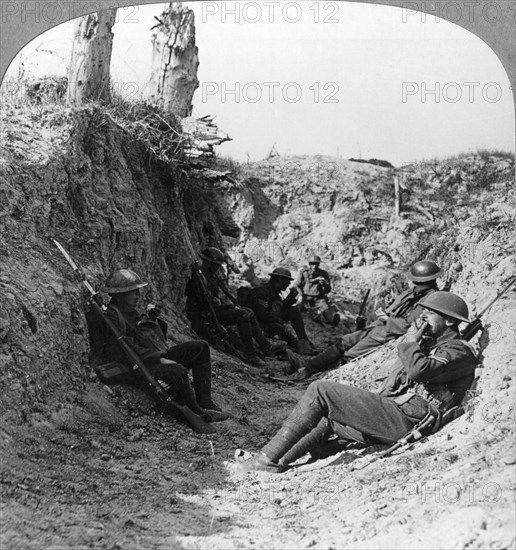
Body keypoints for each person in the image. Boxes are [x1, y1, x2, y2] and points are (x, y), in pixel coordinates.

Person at [235, 291, 477, 472]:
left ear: (450, 322)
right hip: (399, 414)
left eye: (430, 314)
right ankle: (277, 462)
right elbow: (397, 380)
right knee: (330, 418)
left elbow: (417, 371)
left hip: (407, 422)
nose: (423, 318)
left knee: (321, 389)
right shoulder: (435, 346)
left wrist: (412, 342)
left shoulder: (458, 351)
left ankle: (266, 459)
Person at [87, 268, 228, 422]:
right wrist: (159, 358)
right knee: (178, 370)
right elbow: (121, 352)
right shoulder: (110, 318)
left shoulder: (130, 313)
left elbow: (151, 341)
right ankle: (197, 411)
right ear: (120, 295)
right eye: (133, 292)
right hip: (131, 367)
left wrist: (151, 321)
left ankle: (205, 402)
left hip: (146, 359)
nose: (138, 295)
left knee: (200, 347)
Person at [285, 260, 442, 378]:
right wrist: (389, 307)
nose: (412, 284)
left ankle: (315, 373)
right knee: (345, 340)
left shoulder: (430, 299)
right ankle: (310, 365)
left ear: (425, 282)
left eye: (416, 282)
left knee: (353, 352)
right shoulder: (415, 292)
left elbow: (411, 325)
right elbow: (397, 306)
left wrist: (388, 319)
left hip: (389, 331)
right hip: (380, 325)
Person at [185, 247, 285, 366]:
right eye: (215, 265)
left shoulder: (211, 278)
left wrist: (226, 305)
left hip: (212, 311)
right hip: (203, 316)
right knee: (242, 315)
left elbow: (215, 301)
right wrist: (223, 306)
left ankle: (266, 346)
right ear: (208, 263)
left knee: (248, 312)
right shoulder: (198, 278)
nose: (216, 269)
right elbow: (202, 304)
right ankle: (250, 354)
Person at [247, 266, 312, 354]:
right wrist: (281, 321)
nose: (289, 283)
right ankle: (296, 344)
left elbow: (280, 310)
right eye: (287, 281)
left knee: (293, 310)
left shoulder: (275, 292)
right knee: (279, 327)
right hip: (261, 327)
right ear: (279, 280)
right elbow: (262, 314)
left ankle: (304, 340)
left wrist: (290, 298)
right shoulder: (262, 291)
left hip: (271, 323)